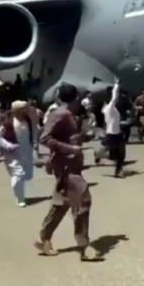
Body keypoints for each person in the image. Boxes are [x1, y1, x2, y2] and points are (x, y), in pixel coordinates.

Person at [35, 83, 101, 261]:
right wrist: (70, 149)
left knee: (62, 203)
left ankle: (44, 238)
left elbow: (64, 137)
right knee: (83, 200)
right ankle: (84, 246)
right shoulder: (60, 114)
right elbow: (45, 138)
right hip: (66, 166)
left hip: (69, 165)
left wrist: (83, 137)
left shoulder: (69, 115)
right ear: (76, 98)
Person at [0, 101, 35, 207]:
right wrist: (8, 145)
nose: (26, 110)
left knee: (26, 175)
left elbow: (33, 132)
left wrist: (34, 143)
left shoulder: (27, 120)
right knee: (18, 174)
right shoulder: (9, 123)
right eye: (23, 108)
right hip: (12, 153)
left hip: (26, 151)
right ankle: (20, 198)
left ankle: (20, 193)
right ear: (16, 110)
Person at [102, 79, 126, 178]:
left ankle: (118, 171)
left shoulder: (110, 109)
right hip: (112, 134)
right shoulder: (109, 108)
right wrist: (116, 84)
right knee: (114, 155)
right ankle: (99, 154)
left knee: (121, 154)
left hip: (117, 133)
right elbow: (115, 96)